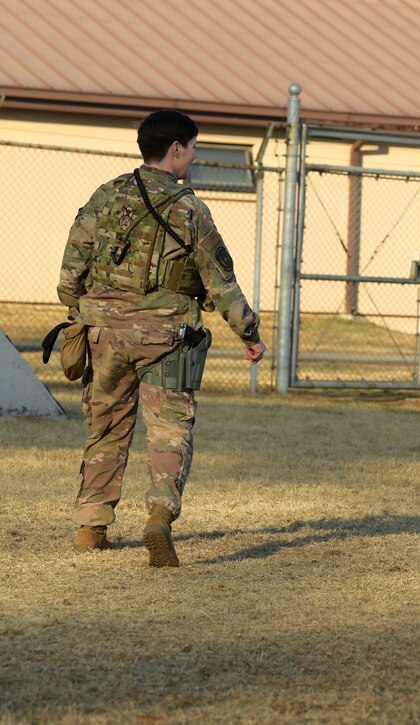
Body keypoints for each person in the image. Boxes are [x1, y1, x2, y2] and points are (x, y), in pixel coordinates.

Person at [57, 110, 265, 567]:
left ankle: (91, 526)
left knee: (106, 425)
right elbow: (220, 281)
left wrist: (81, 309)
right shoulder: (190, 207)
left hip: (105, 333)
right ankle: (158, 517)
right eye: (192, 148)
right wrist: (249, 333)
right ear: (175, 149)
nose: (193, 157)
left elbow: (72, 268)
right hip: (167, 335)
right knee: (169, 428)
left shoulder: (106, 195)